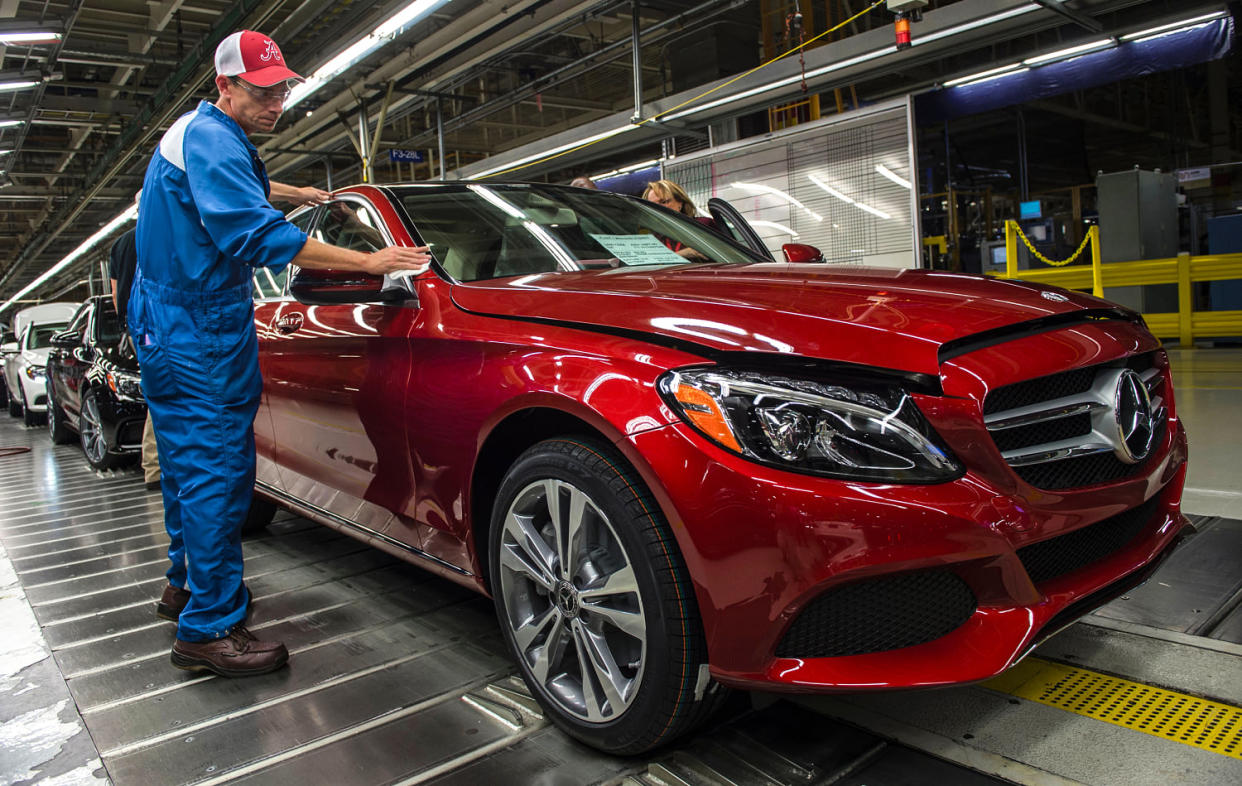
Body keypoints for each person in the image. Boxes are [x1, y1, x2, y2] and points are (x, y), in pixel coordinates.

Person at [131, 29, 430, 678]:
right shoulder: (214, 139)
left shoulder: (198, 135)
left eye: (284, 89)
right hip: (198, 329)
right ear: (225, 87)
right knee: (218, 473)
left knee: (188, 468)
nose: (278, 103)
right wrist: (367, 260)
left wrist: (292, 193)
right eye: (263, 92)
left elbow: (227, 191)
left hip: (167, 322)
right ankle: (209, 628)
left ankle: (183, 586)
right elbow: (253, 234)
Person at [642, 179, 716, 260]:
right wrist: (685, 253)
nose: (658, 209)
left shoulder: (703, 225)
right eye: (652, 206)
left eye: (664, 202)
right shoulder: (654, 237)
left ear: (680, 202)